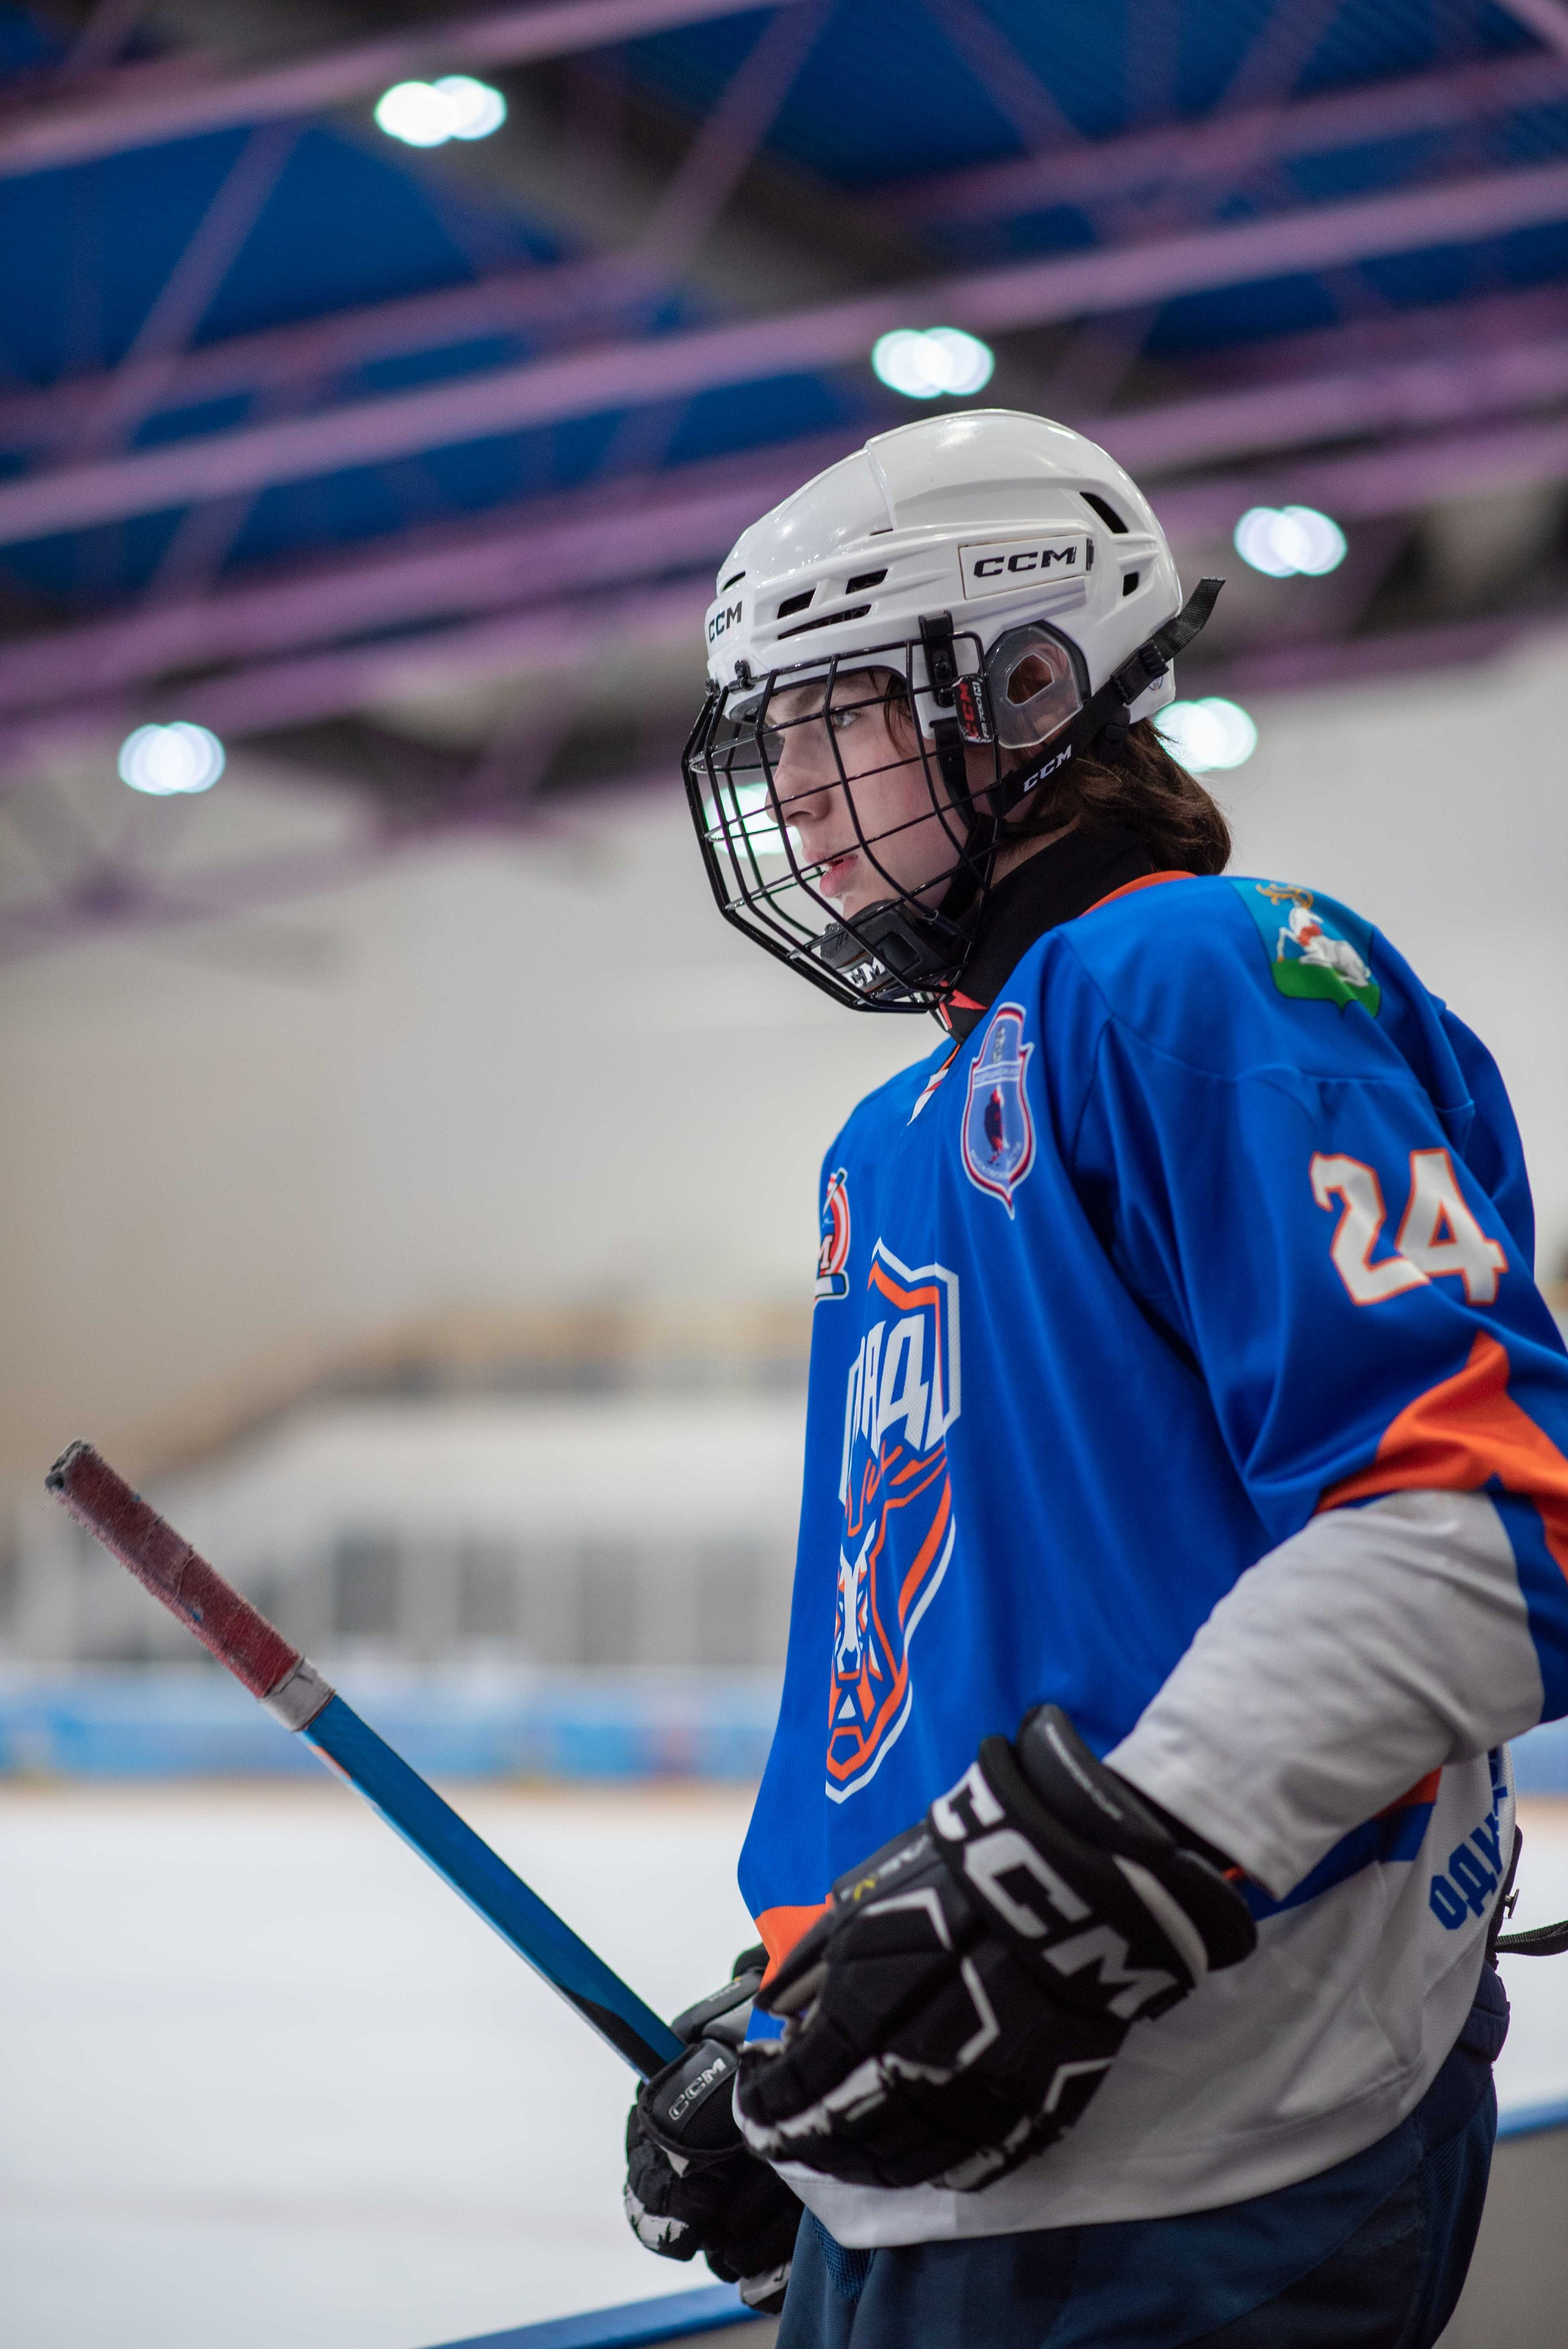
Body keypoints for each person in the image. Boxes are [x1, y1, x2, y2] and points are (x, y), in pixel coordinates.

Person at [622, 409, 1568, 2345]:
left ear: (1031, 683)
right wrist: (808, 1997)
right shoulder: (891, 1137)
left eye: (835, 719)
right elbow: (947, 1656)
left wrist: (1075, 1888)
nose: (790, 791)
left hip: (1211, 2165)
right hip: (937, 2186)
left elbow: (1484, 1521)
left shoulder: (1203, 971)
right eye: (771, 740)